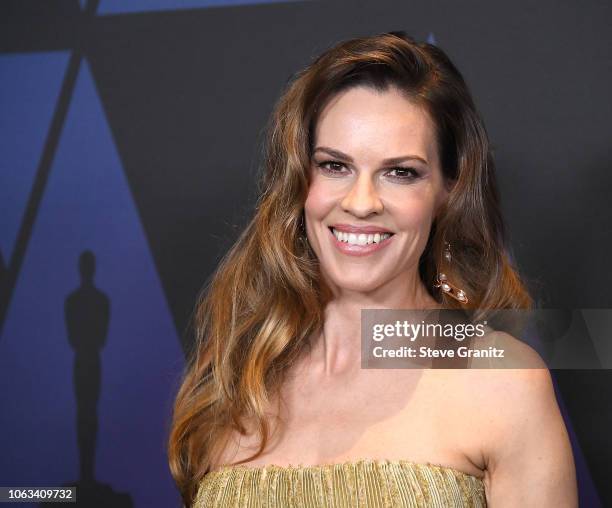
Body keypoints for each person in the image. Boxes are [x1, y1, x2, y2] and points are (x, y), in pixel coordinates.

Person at [167, 32, 577, 507]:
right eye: (335, 166)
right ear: (299, 179)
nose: (361, 203)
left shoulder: (503, 382)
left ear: (448, 189)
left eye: (401, 172)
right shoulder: (236, 377)